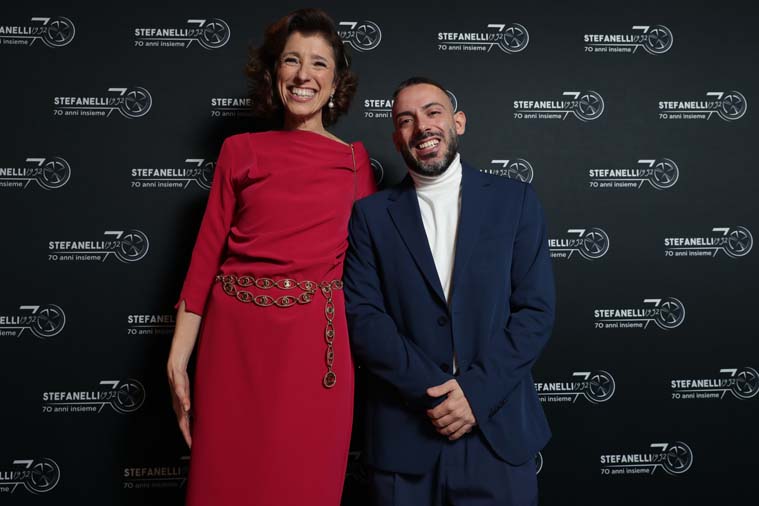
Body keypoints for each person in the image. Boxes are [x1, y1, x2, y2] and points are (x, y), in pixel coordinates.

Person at [166, 9, 376, 506]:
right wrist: (177, 358)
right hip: (233, 346)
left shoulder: (355, 163)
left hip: (314, 351)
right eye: (291, 60)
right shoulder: (239, 151)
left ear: (336, 82)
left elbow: (371, 275)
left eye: (319, 63)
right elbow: (205, 259)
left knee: (303, 483)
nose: (304, 75)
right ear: (274, 72)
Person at [343, 77, 555, 505]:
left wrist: (475, 394)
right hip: (405, 438)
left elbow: (535, 312)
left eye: (433, 112)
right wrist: (437, 393)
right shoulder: (370, 216)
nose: (422, 125)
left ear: (458, 122)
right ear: (397, 138)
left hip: (497, 432)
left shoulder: (515, 201)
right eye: (406, 119)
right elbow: (364, 319)